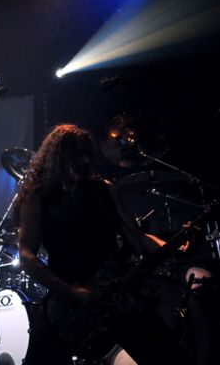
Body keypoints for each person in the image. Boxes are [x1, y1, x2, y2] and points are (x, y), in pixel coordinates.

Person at [14, 124, 187, 365]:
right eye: (78, 154)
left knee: (170, 358)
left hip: (116, 294)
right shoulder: (37, 198)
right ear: (59, 157)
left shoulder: (104, 190)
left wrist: (175, 247)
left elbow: (139, 239)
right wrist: (70, 292)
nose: (85, 160)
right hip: (68, 302)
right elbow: (26, 255)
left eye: (88, 154)